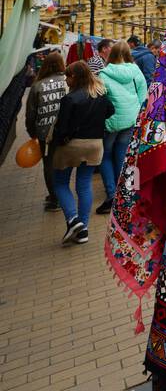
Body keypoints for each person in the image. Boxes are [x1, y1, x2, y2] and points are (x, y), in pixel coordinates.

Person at [52, 62, 114, 245]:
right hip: (95, 145)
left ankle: (73, 220)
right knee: (84, 184)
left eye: (68, 76)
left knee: (61, 183)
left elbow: (62, 128)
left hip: (72, 146)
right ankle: (83, 230)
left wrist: (58, 139)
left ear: (75, 77)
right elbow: (111, 110)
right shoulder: (99, 94)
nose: (66, 79)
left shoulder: (69, 99)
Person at [95, 41, 147, 215]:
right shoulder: (135, 70)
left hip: (111, 122)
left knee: (105, 156)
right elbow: (143, 95)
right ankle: (127, 193)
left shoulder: (103, 73)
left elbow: (101, 99)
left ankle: (111, 195)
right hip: (131, 118)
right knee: (124, 155)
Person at [25, 50, 68, 211]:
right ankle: (64, 192)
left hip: (45, 132)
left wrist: (32, 133)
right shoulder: (67, 80)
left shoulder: (37, 85)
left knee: (49, 165)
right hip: (65, 130)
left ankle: (54, 198)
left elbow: (31, 113)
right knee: (64, 162)